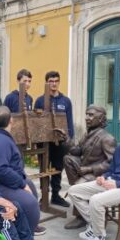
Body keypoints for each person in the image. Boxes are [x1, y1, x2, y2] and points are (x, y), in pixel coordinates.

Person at [0, 106, 46, 236]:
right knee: (29, 202)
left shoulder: (1, 137)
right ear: (11, 121)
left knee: (30, 184)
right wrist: (21, 184)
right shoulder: (0, 142)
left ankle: (30, 224)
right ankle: (25, 237)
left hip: (6, 181)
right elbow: (0, 170)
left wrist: (24, 182)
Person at [63, 105, 116, 229]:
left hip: (98, 174)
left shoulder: (107, 138)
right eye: (87, 114)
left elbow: (111, 164)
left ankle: (81, 217)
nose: (87, 118)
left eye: (91, 115)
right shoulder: (87, 134)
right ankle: (78, 187)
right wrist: (67, 140)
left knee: (77, 185)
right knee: (68, 158)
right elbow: (77, 151)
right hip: (85, 169)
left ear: (101, 118)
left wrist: (89, 169)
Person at [34, 71, 74, 207]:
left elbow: (69, 121)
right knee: (43, 169)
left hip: (60, 142)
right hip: (44, 142)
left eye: (56, 81)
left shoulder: (65, 101)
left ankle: (56, 196)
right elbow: (35, 123)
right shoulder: (40, 100)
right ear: (46, 83)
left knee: (58, 168)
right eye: (51, 81)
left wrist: (70, 139)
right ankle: (44, 196)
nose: (54, 84)